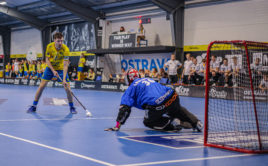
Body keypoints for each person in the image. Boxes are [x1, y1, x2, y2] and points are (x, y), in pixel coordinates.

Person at [105, 68, 203, 132]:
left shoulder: (131, 88)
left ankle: (173, 123)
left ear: (128, 79)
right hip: (172, 95)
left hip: (157, 104)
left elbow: (124, 109)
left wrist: (117, 126)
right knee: (177, 110)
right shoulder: (148, 79)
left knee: (148, 122)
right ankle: (197, 123)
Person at [27, 32, 77, 114]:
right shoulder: (49, 47)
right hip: (50, 68)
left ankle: (72, 107)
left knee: (67, 88)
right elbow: (47, 60)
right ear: (54, 40)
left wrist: (64, 79)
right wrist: (53, 70)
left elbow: (65, 65)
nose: (60, 43)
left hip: (61, 69)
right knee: (42, 86)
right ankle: (34, 106)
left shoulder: (66, 49)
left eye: (61, 41)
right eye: (58, 41)